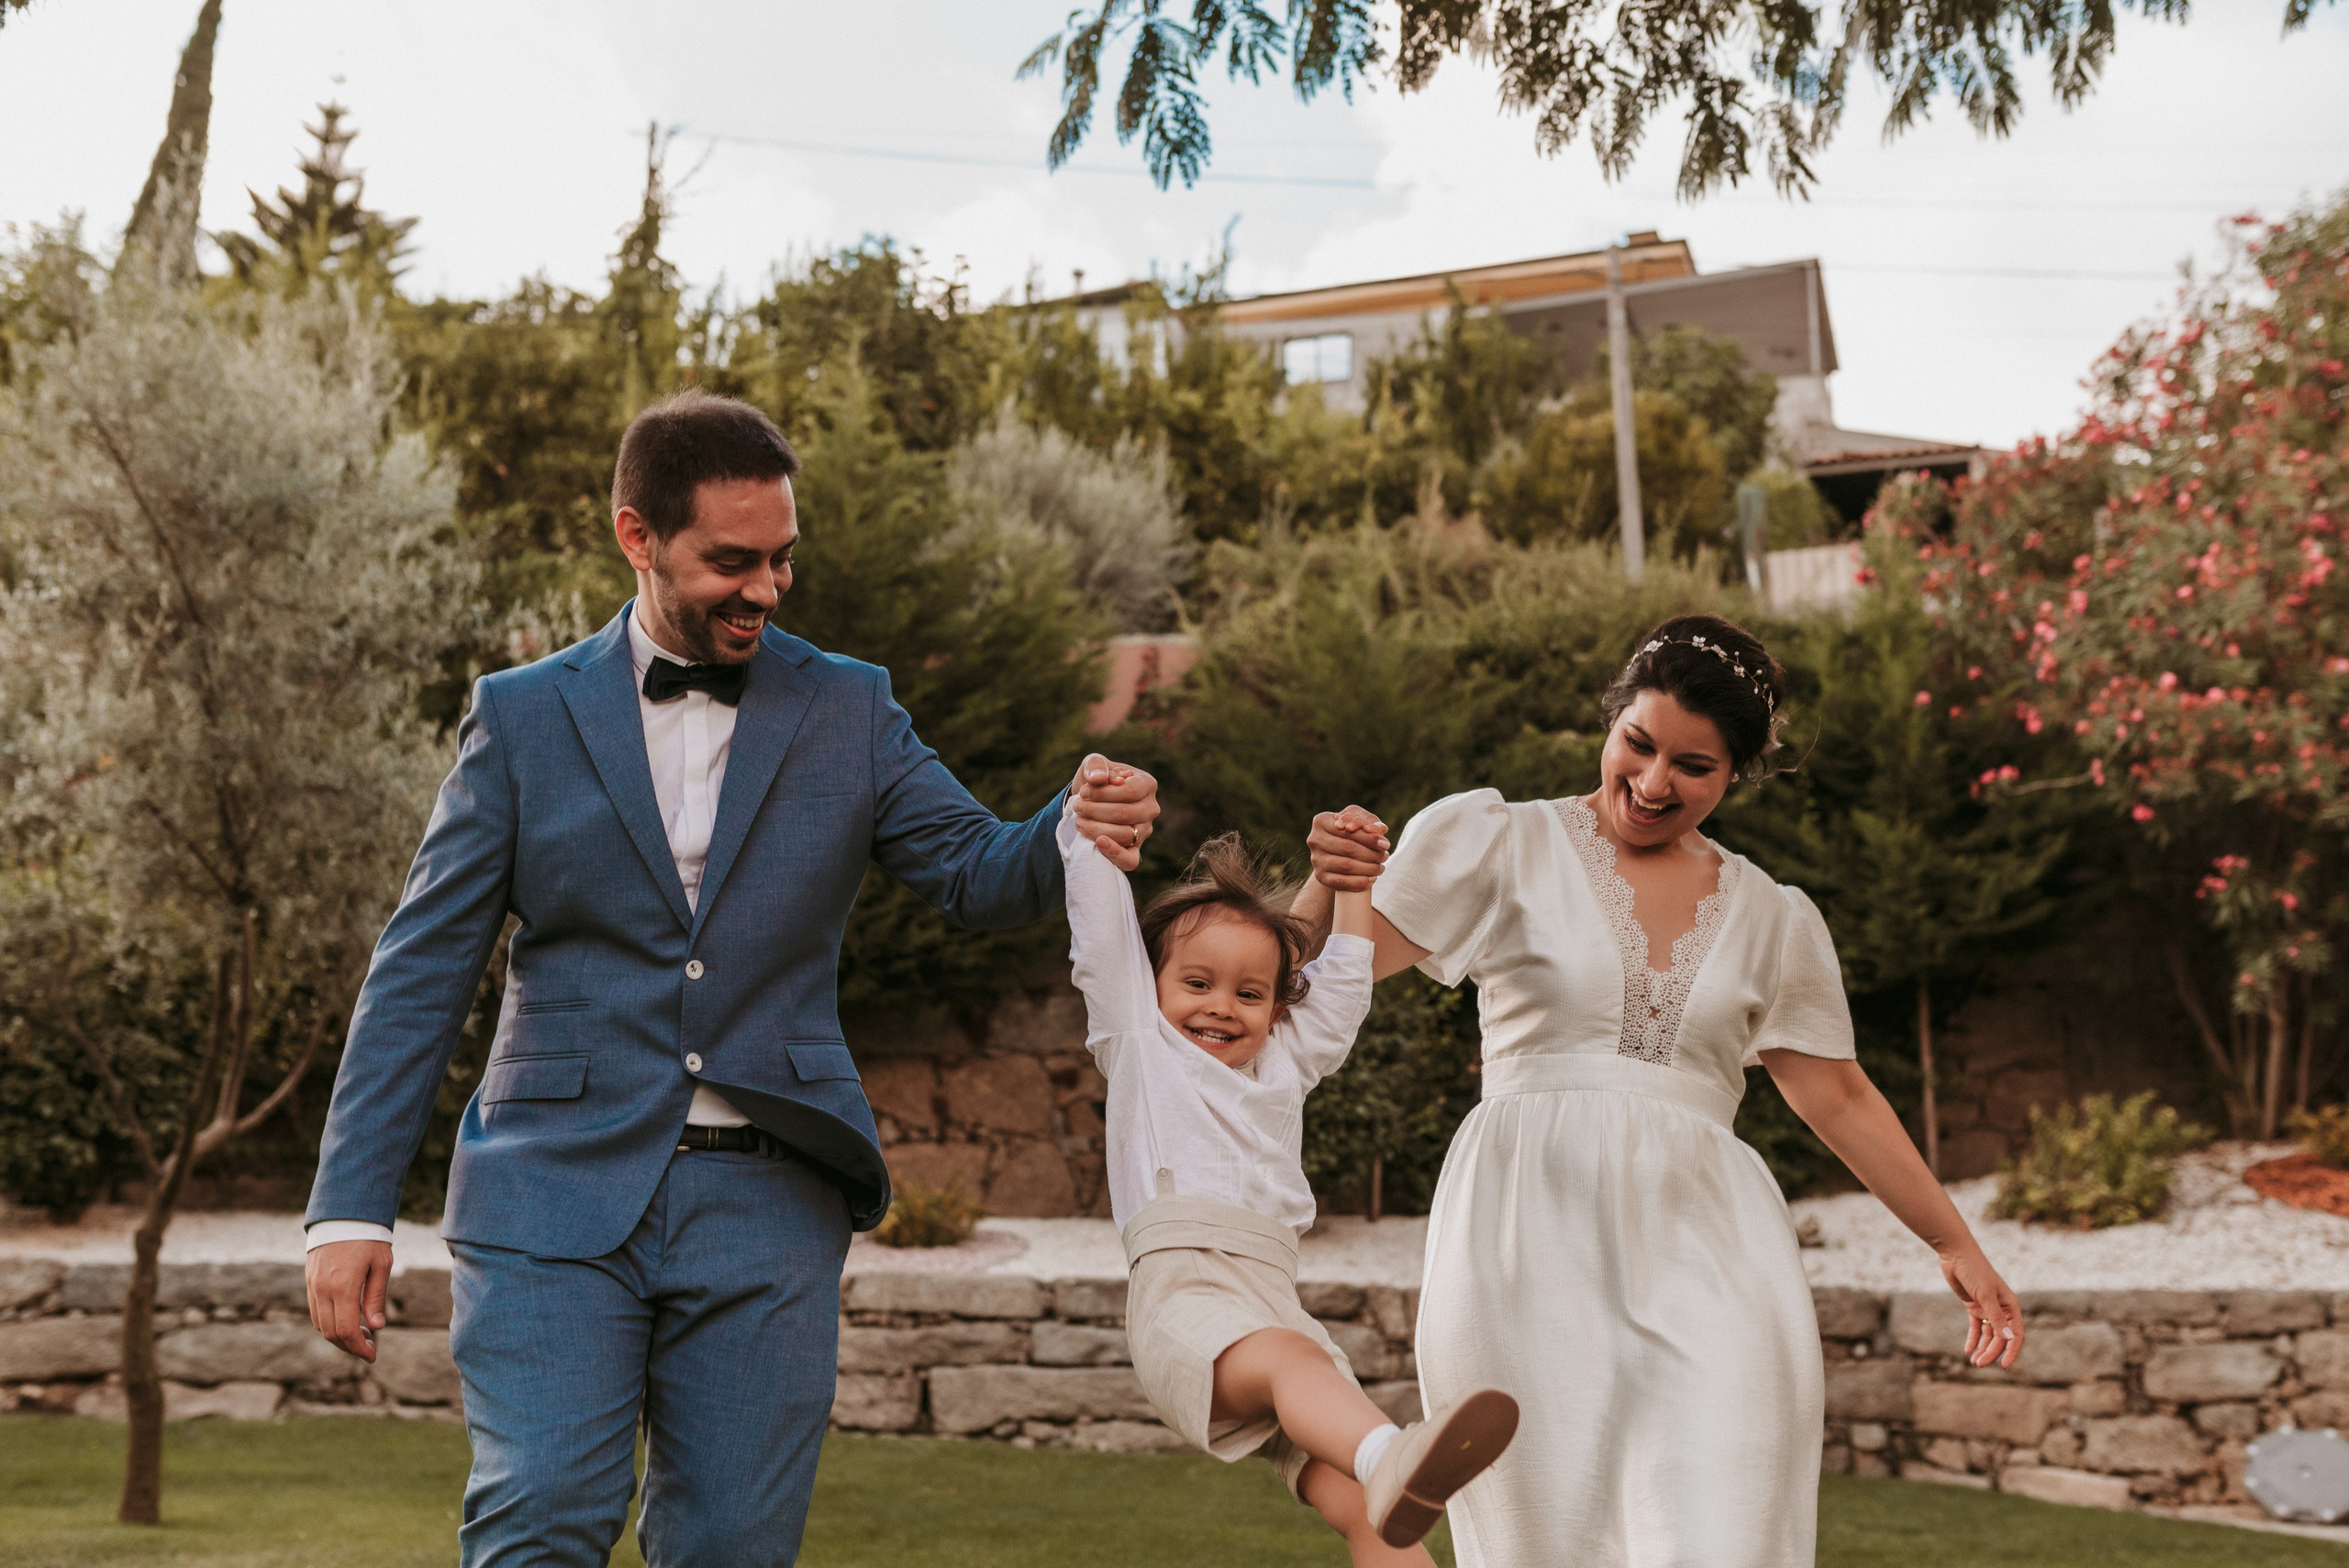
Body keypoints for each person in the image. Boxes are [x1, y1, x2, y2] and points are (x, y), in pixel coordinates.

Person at [300, 389, 1161, 1567]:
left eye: (782, 560)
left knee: (733, 1549)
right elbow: (420, 970)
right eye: (732, 561)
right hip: (552, 1191)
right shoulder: (521, 716)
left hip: (770, 1197)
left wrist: (1071, 825)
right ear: (636, 536)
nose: (764, 588)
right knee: (540, 1514)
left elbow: (973, 870)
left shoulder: (849, 705)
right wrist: (350, 1206)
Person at [1299, 614, 2027, 1568]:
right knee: (1541, 1536)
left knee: (1726, 1522)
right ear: (1610, 720)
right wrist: (1325, 883)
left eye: (1693, 766)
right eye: (1636, 743)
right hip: (1523, 1237)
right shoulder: (1498, 841)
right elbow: (1313, 973)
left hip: (1712, 1247)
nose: (1650, 784)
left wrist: (1950, 1238)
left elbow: (1838, 1094)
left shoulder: (1773, 915)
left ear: (1735, 775)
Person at [1061, 786, 1518, 1564]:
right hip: (1188, 1295)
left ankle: (1381, 1471)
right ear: (1150, 984)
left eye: (1249, 993)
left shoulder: (1285, 1063)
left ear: (1277, 1009)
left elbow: (1343, 981)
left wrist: (1356, 882)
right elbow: (1101, 932)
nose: (1222, 1008)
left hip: (1274, 1303)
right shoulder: (1136, 1038)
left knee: (1374, 1516)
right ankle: (1388, 1454)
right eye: (1197, 984)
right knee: (1303, 1376)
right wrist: (1092, 832)